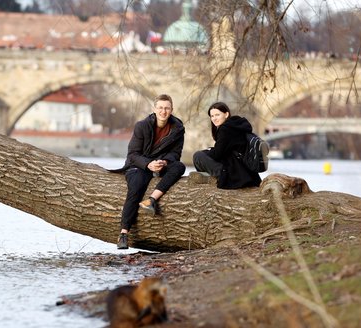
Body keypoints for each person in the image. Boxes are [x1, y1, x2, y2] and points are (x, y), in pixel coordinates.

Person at [110, 94, 186, 250]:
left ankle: (152, 199)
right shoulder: (142, 126)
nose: (163, 111)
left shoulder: (178, 128)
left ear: (172, 110)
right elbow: (132, 154)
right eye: (160, 108)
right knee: (136, 187)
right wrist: (148, 164)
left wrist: (164, 162)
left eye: (167, 108)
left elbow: (175, 154)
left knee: (179, 166)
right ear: (154, 109)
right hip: (139, 165)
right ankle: (124, 233)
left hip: (160, 165)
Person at [192, 101, 262, 189]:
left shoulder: (225, 129)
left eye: (217, 115)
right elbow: (225, 150)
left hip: (236, 174)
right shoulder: (236, 125)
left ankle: (219, 178)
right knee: (203, 154)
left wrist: (207, 152)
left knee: (198, 156)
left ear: (226, 114)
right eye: (212, 116)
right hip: (248, 173)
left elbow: (217, 154)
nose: (214, 118)